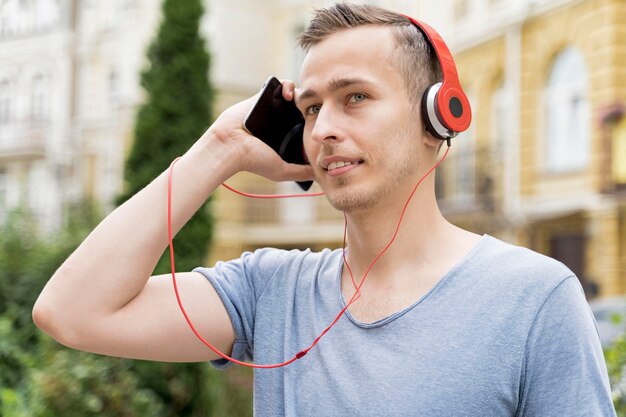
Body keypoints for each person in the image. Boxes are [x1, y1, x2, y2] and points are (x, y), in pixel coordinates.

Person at [33, 3, 616, 416]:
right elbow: (72, 312)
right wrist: (221, 148)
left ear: (440, 117)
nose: (326, 128)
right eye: (310, 109)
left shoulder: (534, 297)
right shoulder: (269, 290)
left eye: (355, 97)